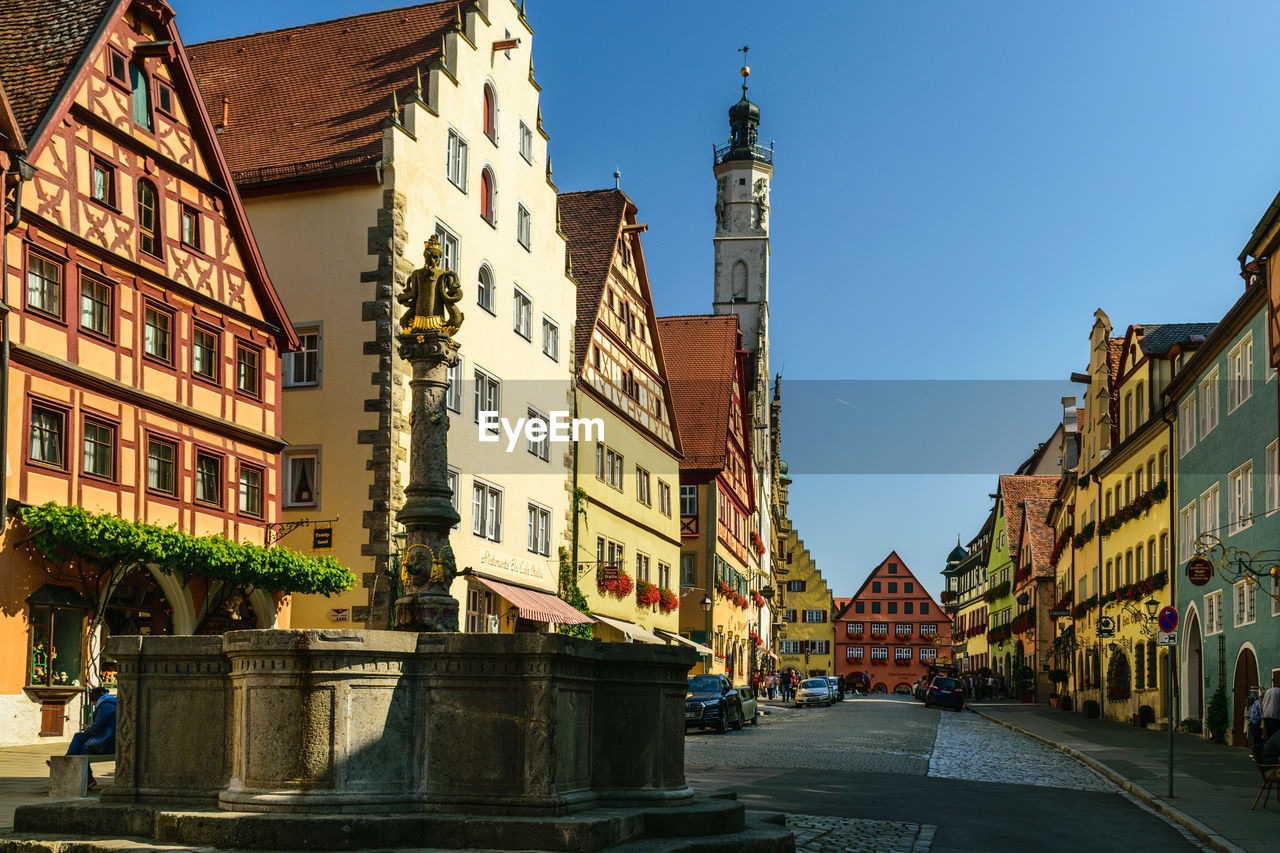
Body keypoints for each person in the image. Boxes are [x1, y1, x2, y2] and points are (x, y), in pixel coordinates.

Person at [55, 687, 116, 791]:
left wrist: (87, 728)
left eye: (93, 704)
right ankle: (87, 778)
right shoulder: (112, 703)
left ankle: (67, 762)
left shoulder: (105, 706)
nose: (93, 706)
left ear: (95, 700)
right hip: (111, 739)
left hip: (109, 742)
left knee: (80, 749)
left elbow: (96, 729)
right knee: (79, 739)